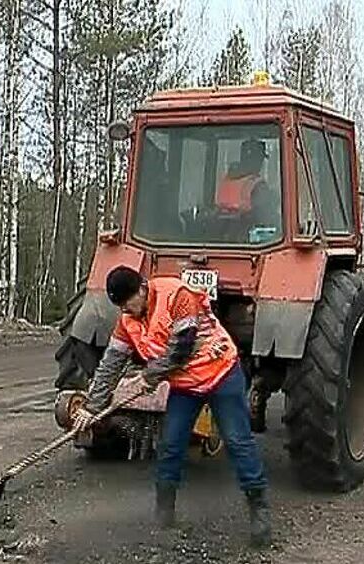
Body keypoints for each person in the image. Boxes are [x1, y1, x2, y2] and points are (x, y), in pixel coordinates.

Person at [72, 266, 272, 548]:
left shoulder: (176, 295)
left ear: (142, 288)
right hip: (185, 385)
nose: (128, 310)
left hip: (220, 373)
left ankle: (259, 511)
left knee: (238, 442)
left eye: (130, 302)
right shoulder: (127, 319)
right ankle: (164, 514)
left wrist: (148, 376)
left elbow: (182, 348)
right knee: (170, 445)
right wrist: (92, 408)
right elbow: (110, 365)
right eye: (122, 306)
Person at [215, 138, 279, 238]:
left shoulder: (226, 180)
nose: (261, 164)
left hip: (220, 236)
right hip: (246, 240)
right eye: (260, 159)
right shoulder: (257, 185)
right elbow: (266, 217)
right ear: (256, 160)